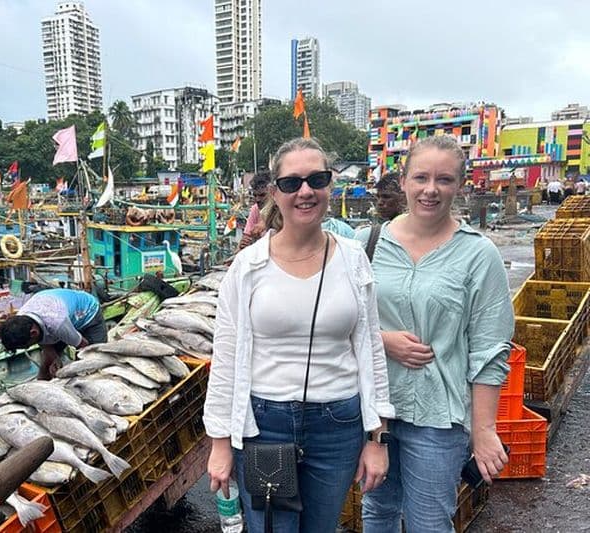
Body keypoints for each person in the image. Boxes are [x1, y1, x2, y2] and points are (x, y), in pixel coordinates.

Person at [204, 137, 395, 533]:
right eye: (291, 183)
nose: (305, 191)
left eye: (316, 180)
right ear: (275, 192)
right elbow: (226, 356)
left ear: (330, 185)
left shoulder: (353, 259)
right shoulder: (248, 266)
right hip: (266, 424)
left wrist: (377, 438)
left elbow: (370, 350)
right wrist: (220, 443)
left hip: (338, 423)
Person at [355, 135, 513, 532]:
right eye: (421, 177)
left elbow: (490, 349)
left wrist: (484, 430)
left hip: (437, 417)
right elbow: (341, 322)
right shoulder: (366, 244)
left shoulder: (478, 255)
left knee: (429, 522)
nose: (431, 189)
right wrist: (383, 342)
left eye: (444, 179)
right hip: (375, 412)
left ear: (460, 185)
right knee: (376, 511)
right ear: (404, 181)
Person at [0, 288, 106, 380]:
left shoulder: (58, 323)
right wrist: (54, 358)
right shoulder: (22, 318)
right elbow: (43, 343)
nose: (28, 347)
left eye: (28, 345)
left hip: (88, 313)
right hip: (56, 318)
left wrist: (73, 371)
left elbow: (84, 347)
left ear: (33, 333)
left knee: (92, 362)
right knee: (47, 363)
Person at [237, 171, 271, 251]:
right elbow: (246, 237)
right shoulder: (255, 209)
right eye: (255, 195)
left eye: (262, 195)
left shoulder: (284, 210)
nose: (257, 199)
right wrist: (242, 245)